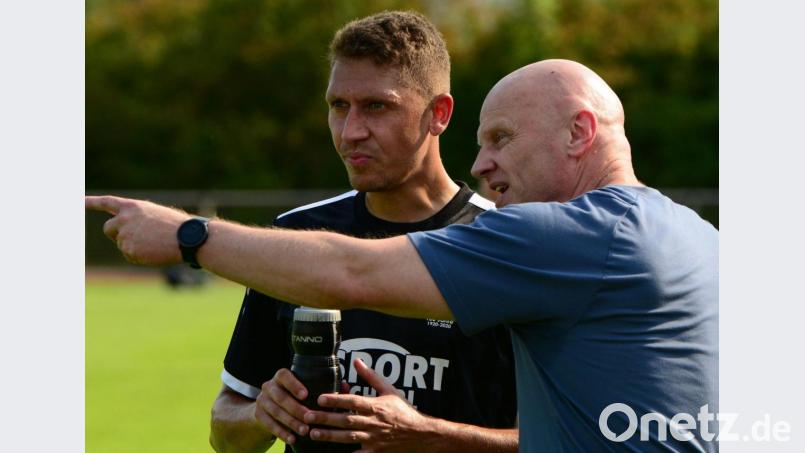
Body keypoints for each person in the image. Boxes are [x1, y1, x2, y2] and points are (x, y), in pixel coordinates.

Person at [87, 58, 718, 451]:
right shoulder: (699, 237)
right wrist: (263, 416)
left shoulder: (566, 236)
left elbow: (350, 271)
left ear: (580, 133)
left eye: (501, 138)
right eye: (337, 107)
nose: (482, 164)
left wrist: (190, 236)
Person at [214, 11, 517, 453]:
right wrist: (261, 414)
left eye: (377, 106)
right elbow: (224, 430)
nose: (350, 132)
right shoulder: (295, 235)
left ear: (438, 114)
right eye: (339, 106)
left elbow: (560, 439)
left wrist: (427, 436)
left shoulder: (506, 245)